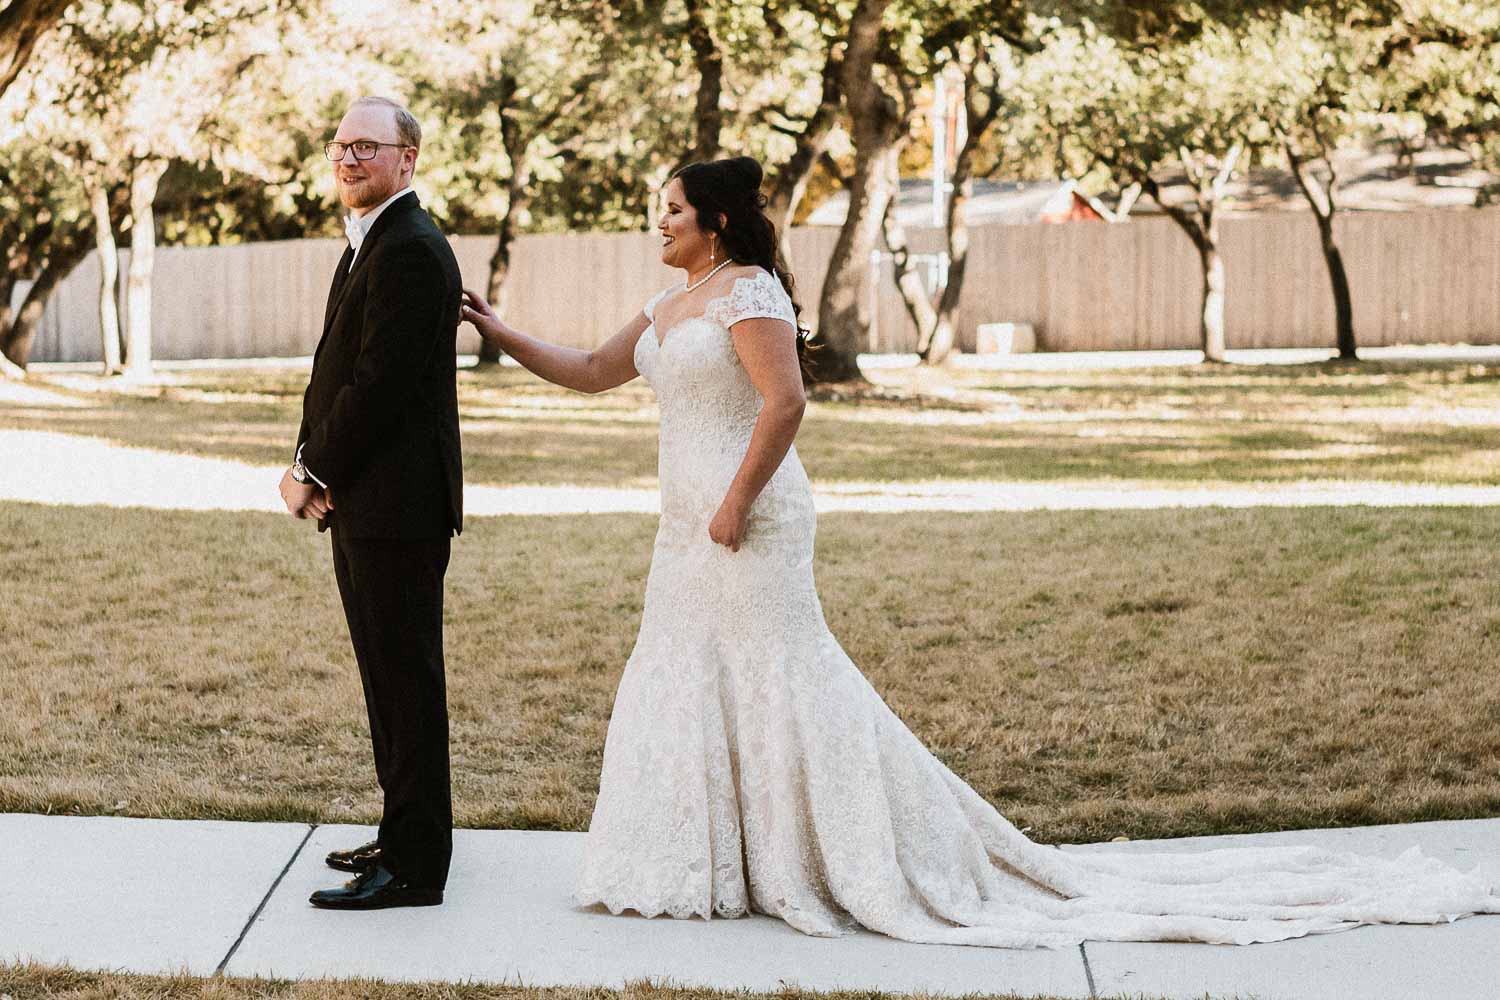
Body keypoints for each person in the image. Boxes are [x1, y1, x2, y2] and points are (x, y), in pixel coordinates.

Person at [459, 155, 1498, 947]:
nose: (661, 223)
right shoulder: (666, 303)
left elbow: (785, 403)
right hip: (682, 531)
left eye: (674, 211)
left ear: (718, 220)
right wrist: (498, 327)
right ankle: (709, 863)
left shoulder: (750, 294)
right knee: (690, 678)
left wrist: (735, 503)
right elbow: (595, 370)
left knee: (785, 678)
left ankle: (848, 857)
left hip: (750, 519)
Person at [279, 95, 463, 910]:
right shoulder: (372, 242)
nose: (349, 159)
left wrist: (310, 471)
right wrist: (312, 466)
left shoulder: (412, 249)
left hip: (399, 506)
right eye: (340, 145)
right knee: (385, 680)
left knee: (406, 681)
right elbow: (333, 371)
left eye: (367, 146)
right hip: (366, 501)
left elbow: (379, 388)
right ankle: (401, 834)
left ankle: (417, 867)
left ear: (408, 159)